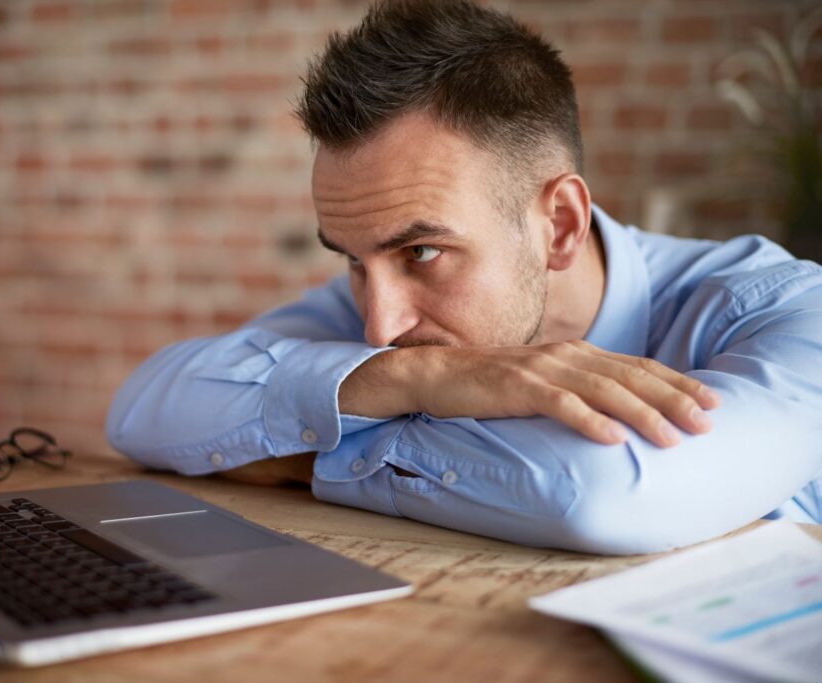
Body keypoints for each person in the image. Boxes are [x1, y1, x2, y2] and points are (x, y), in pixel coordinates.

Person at [106, 0, 822, 555]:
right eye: (353, 260)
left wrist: (302, 455)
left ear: (561, 225)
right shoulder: (395, 319)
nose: (378, 327)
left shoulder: (784, 310)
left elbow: (600, 494)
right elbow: (144, 409)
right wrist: (414, 382)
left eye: (421, 252)